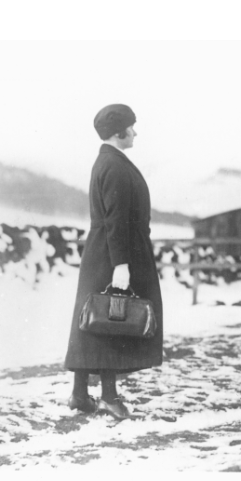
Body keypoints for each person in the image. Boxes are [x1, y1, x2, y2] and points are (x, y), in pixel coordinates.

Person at [63, 104, 164, 419]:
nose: (135, 132)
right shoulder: (116, 165)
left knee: (94, 322)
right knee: (110, 322)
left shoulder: (106, 161)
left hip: (103, 251)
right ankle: (108, 397)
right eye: (132, 127)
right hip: (113, 254)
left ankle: (81, 395)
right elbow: (116, 220)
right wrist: (121, 264)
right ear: (119, 131)